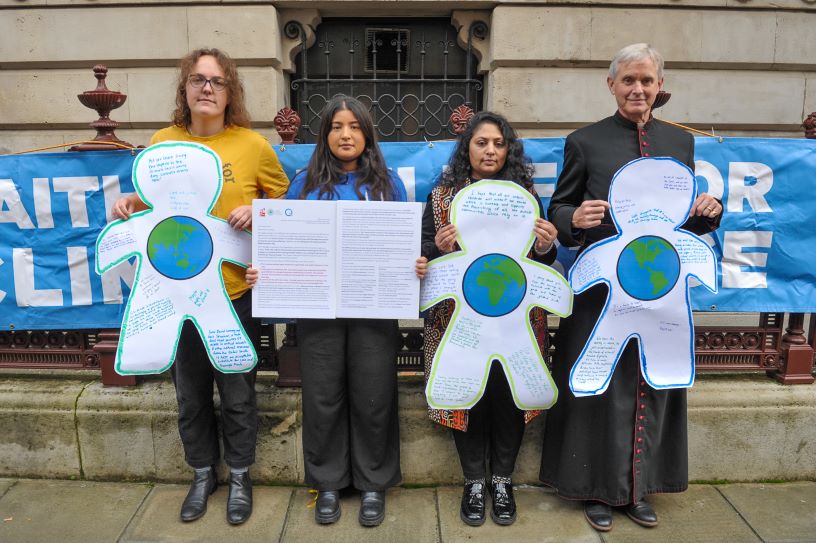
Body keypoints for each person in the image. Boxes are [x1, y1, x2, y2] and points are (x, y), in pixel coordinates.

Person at [539, 43, 722, 532]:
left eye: (646, 80)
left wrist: (708, 216)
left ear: (660, 86)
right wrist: (572, 217)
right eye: (628, 81)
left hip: (661, 295)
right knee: (599, 388)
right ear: (611, 85)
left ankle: (639, 489)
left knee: (651, 384)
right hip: (601, 296)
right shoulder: (585, 141)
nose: (637, 89)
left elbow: (679, 225)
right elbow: (558, 208)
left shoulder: (680, 145)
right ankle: (595, 489)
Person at [111, 48, 290, 525]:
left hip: (233, 296)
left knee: (238, 392)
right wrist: (133, 199)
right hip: (174, 300)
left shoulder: (252, 146)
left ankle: (240, 475)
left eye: (216, 81)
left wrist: (261, 211)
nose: (206, 88)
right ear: (184, 90)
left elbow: (289, 203)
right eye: (197, 80)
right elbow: (158, 205)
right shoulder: (162, 142)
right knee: (189, 394)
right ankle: (201, 473)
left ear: (230, 92)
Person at [249, 95, 415, 527]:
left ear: (367, 134)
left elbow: (403, 243)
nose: (346, 134)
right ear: (324, 136)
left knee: (374, 395)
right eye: (337, 126)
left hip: (373, 310)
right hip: (318, 311)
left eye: (355, 126)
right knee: (322, 396)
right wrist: (265, 273)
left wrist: (413, 262)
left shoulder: (388, 184)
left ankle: (373, 483)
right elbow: (282, 244)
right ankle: (327, 483)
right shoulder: (304, 184)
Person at [415, 110, 558, 527]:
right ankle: (474, 481)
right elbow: (423, 250)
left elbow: (540, 255)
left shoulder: (525, 194)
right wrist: (438, 247)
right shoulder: (443, 196)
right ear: (468, 148)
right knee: (467, 396)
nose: (491, 150)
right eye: (482, 143)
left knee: (508, 397)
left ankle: (502, 480)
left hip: (517, 322)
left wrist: (547, 246)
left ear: (508, 149)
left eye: (498, 143)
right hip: (457, 322)